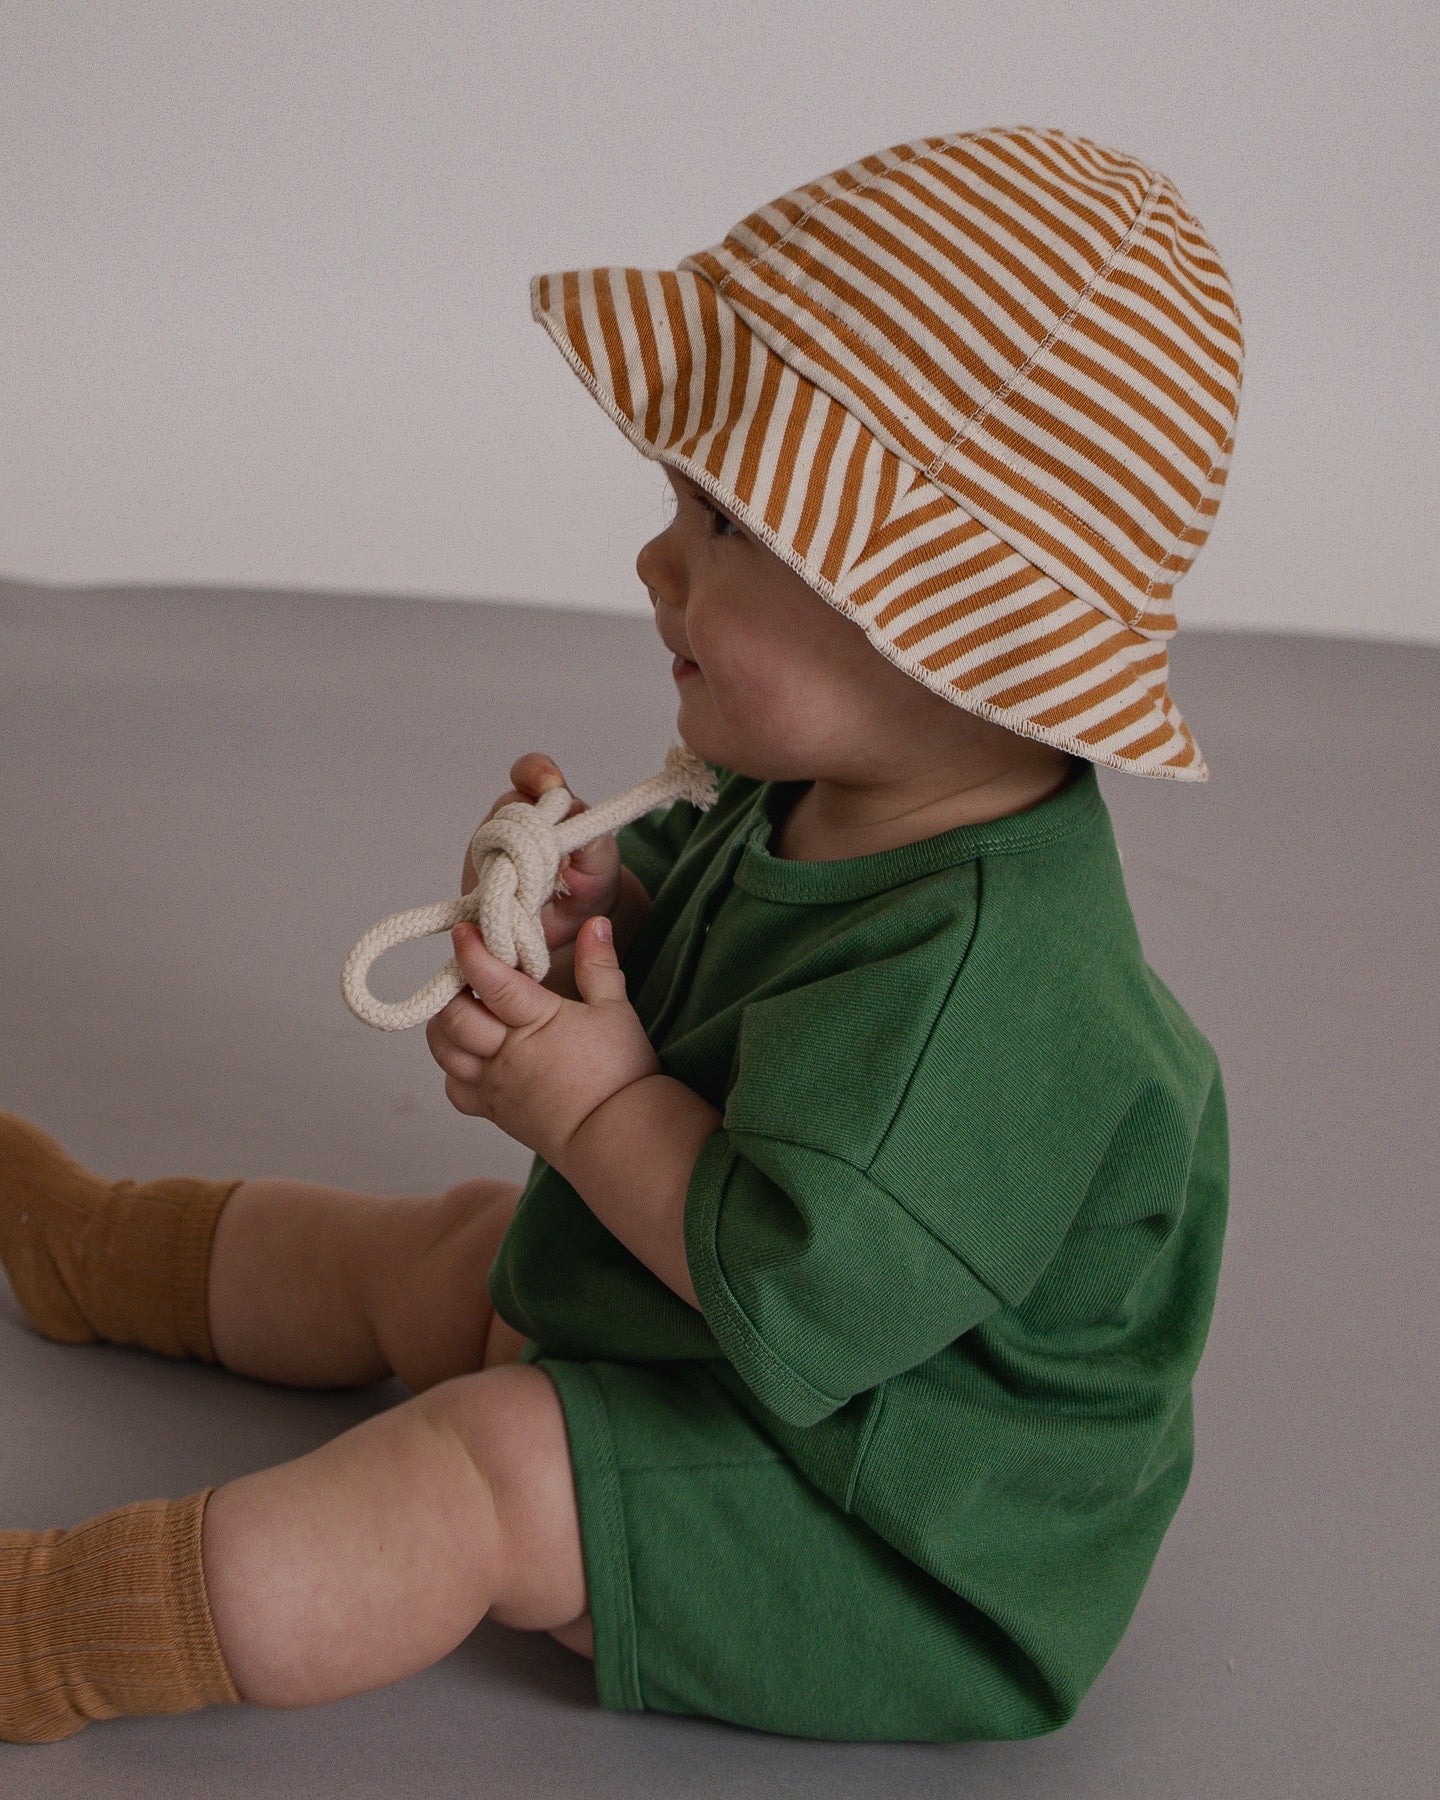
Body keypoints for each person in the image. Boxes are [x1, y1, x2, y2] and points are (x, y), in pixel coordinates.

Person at [0, 124, 1243, 1745]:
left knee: (492, 1470)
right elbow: (740, 1009)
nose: (657, 559)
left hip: (888, 1529)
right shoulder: (814, 786)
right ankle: (101, 1254)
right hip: (743, 1347)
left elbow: (797, 1298)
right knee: (459, 1251)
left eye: (726, 527)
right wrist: (610, 926)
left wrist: (587, 1104)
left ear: (937, 627)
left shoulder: (1002, 996)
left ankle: (53, 1635)